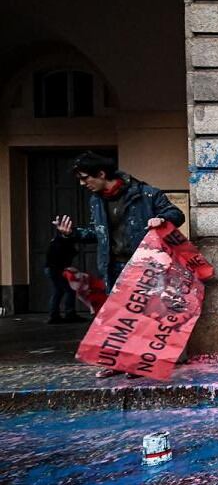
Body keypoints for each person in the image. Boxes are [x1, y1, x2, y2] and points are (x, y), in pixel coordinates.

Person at [52, 151, 185, 376]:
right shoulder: (97, 201)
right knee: (117, 318)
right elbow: (98, 233)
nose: (84, 184)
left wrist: (162, 219)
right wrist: (71, 233)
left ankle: (137, 363)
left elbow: (176, 214)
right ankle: (115, 362)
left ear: (102, 174)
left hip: (144, 266)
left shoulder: (146, 194)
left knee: (143, 316)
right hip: (112, 266)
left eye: (85, 178)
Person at [44, 231, 81, 324]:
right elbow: (60, 258)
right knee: (69, 290)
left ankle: (54, 315)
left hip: (52, 269)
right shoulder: (63, 242)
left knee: (59, 291)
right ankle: (68, 313)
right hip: (55, 269)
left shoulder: (58, 241)